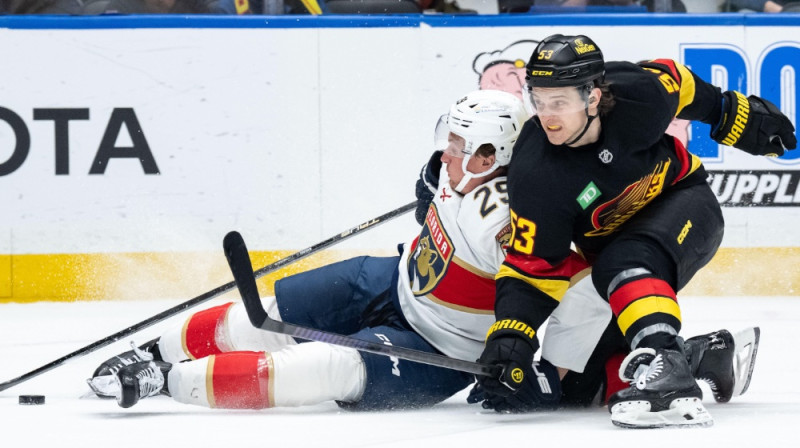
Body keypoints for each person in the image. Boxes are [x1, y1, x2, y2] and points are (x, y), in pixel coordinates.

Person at [87, 89, 532, 410]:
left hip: (440, 346)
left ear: (490, 155)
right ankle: (152, 351)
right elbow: (442, 191)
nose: (445, 153)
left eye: (457, 145)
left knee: (321, 368)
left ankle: (163, 381)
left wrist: (550, 371)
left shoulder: (509, 222)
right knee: (265, 313)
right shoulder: (456, 171)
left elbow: (555, 285)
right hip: (391, 281)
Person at [475, 33, 794, 428]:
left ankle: (670, 371)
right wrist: (513, 337)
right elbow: (532, 267)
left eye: (560, 102)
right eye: (538, 101)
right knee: (579, 386)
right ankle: (704, 356)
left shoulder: (637, 94)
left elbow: (680, 81)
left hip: (686, 204)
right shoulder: (536, 171)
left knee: (623, 262)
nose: (547, 115)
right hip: (616, 260)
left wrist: (729, 114)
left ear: (593, 97)